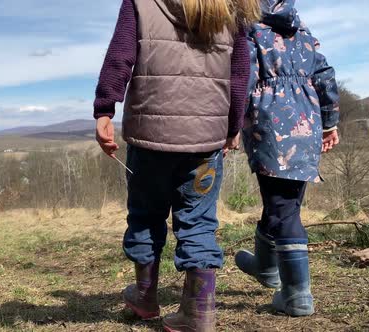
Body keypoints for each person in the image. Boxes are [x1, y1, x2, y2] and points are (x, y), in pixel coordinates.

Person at [93, 0, 259, 330]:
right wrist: (231, 127)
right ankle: (199, 312)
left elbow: (119, 56)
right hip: (205, 143)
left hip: (149, 140)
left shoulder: (141, 3)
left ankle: (145, 296)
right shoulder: (233, 8)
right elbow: (240, 74)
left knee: (145, 215)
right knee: (198, 221)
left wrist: (104, 109)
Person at [235, 0, 340, 317]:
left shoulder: (249, 27)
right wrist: (329, 121)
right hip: (307, 125)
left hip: (271, 126)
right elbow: (325, 75)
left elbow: (244, 77)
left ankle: (296, 296)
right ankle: (266, 269)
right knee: (284, 203)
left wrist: (232, 121)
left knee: (283, 209)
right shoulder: (304, 29)